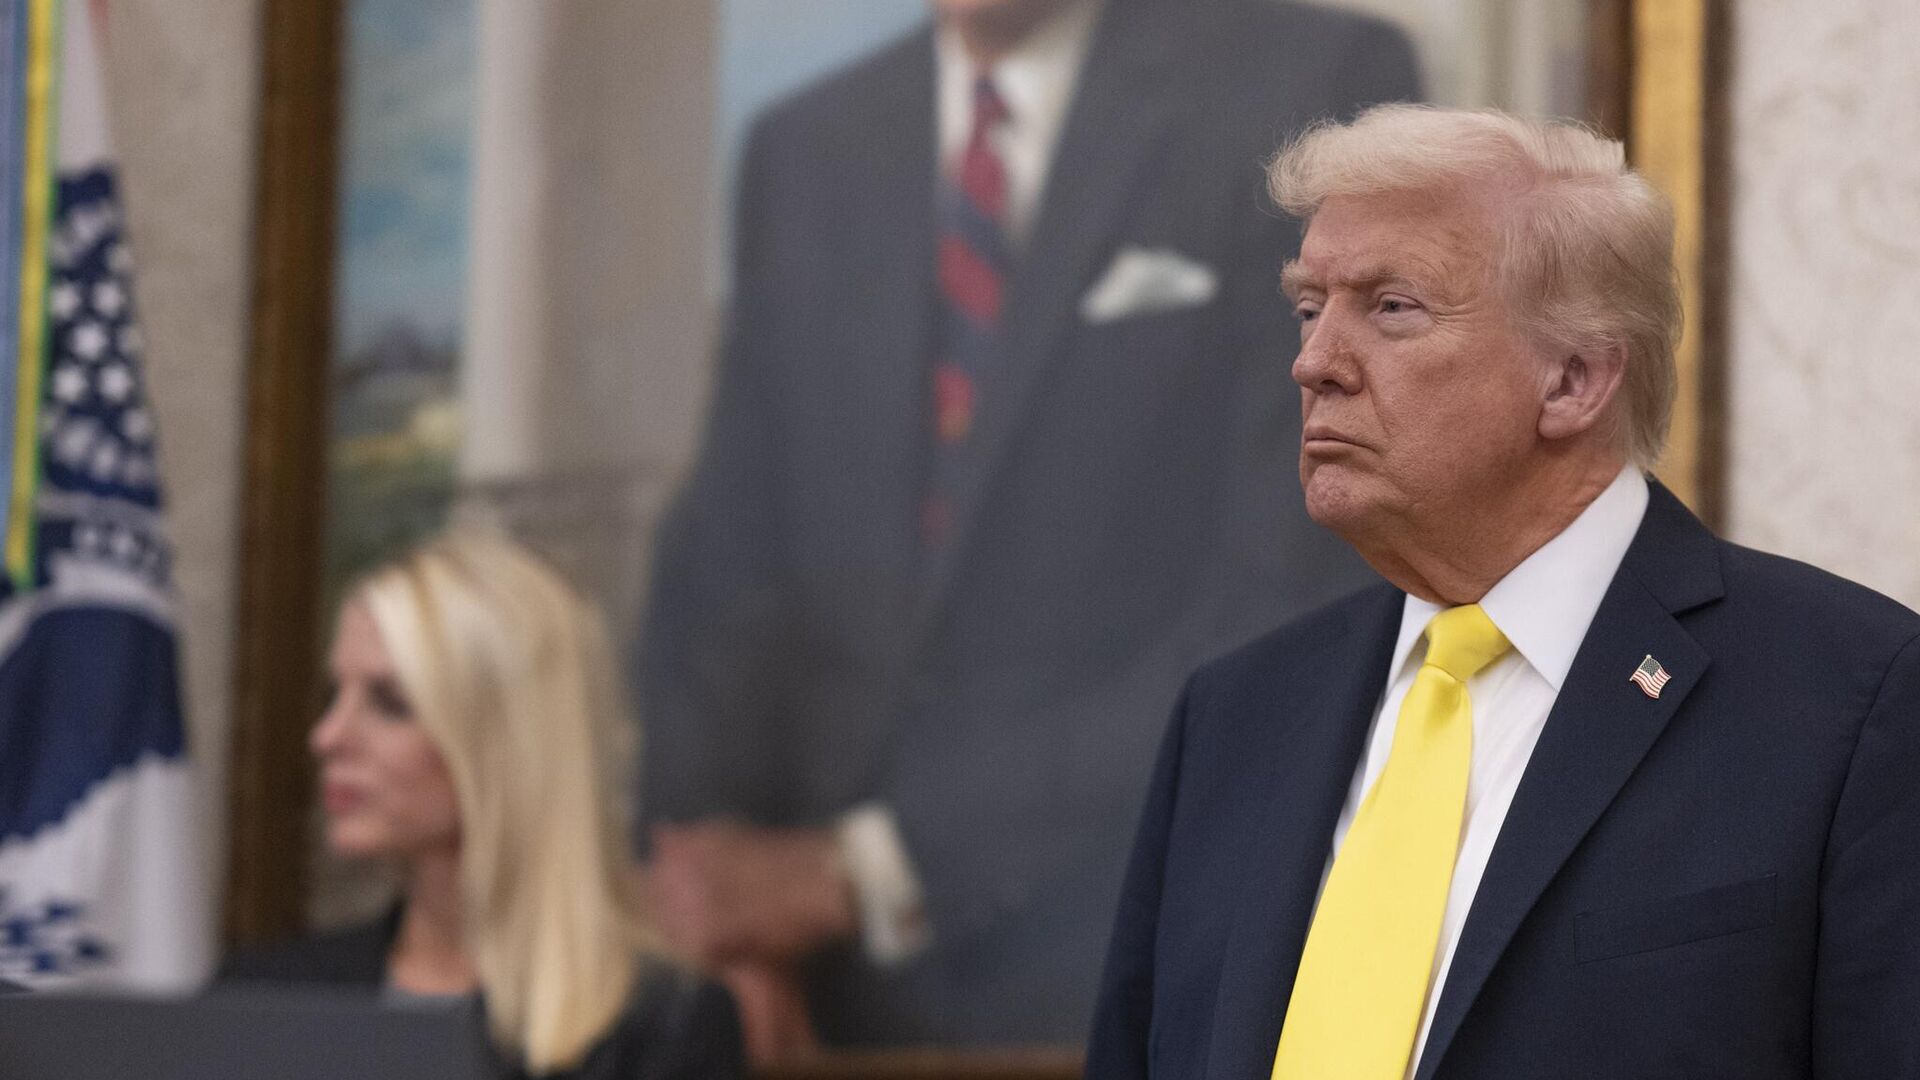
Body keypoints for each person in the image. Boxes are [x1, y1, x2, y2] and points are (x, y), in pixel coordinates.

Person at [638, 0, 1421, 1049]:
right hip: (809, 998)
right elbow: (731, 565)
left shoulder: (1306, 86)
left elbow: (1295, 599)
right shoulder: (805, 147)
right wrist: (713, 924)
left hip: (1140, 961)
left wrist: (879, 867)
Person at [1085, 104, 1920, 1080]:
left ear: (1573, 379)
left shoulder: (1852, 701)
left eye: (1391, 307)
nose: (1313, 363)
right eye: (1310, 309)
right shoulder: (1237, 715)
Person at [220, 533, 744, 1080]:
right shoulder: (260, 999)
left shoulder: (664, 1027)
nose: (327, 737)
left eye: (391, 703)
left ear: (503, 741)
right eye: (334, 696)